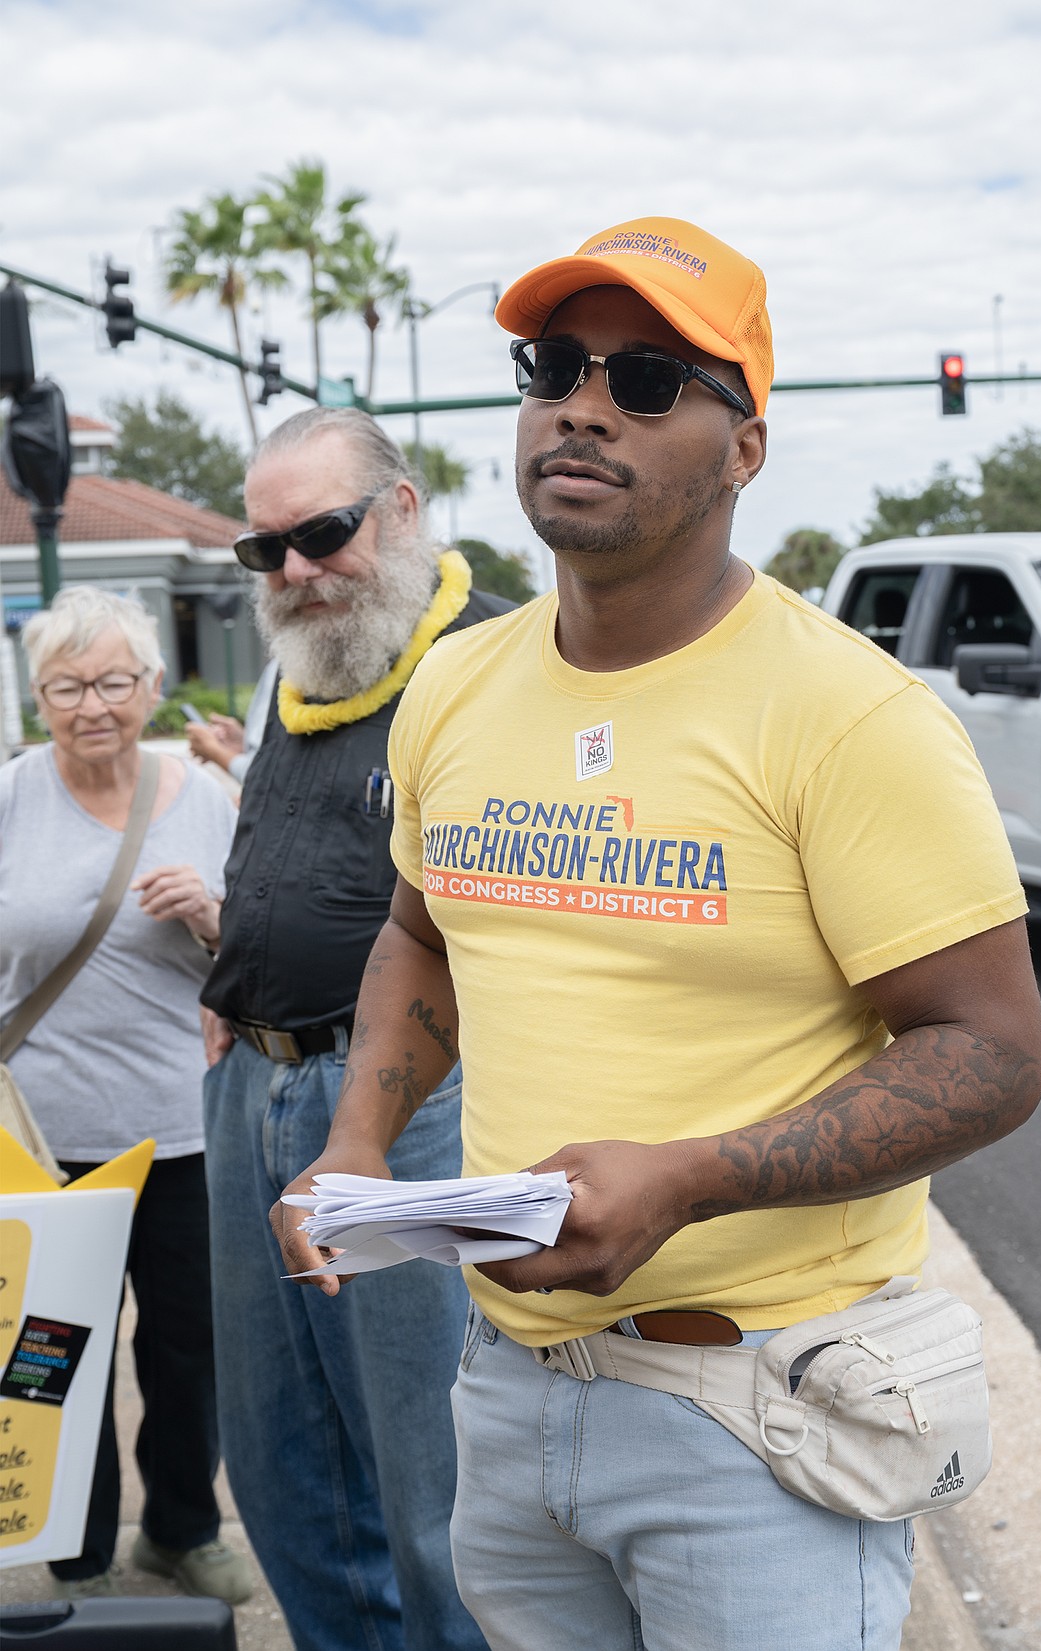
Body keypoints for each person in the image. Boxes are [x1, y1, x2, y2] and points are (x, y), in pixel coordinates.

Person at [272, 216, 1041, 1651]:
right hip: (507, 1389)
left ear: (743, 447)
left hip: (762, 1416)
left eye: (643, 380)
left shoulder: (850, 715)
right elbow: (422, 936)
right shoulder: (455, 686)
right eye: (554, 366)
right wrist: (361, 1145)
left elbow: (992, 1051)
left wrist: (690, 1179)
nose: (581, 406)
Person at [199, 407, 508, 1651]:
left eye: (321, 533)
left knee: (434, 1474)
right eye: (262, 549)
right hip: (253, 1086)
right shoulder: (303, 665)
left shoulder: (494, 664)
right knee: (279, 1457)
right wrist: (230, 975)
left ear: (403, 508)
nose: (294, 570)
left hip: (416, 1101)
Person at [0, 586, 249, 1607]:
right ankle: (78, 1548)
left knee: (189, 1348)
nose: (92, 705)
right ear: (38, 697)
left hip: (183, 1126)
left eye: (112, 682)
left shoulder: (202, 795)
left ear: (151, 686)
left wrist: (210, 914)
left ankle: (182, 1530)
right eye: (67, 687)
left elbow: (258, 953)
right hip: (43, 1136)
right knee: (56, 1352)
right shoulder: (12, 796)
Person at [184, 660, 276, 784]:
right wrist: (245, 743)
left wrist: (212, 749)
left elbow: (260, 777)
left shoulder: (282, 668)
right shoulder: (280, 666)